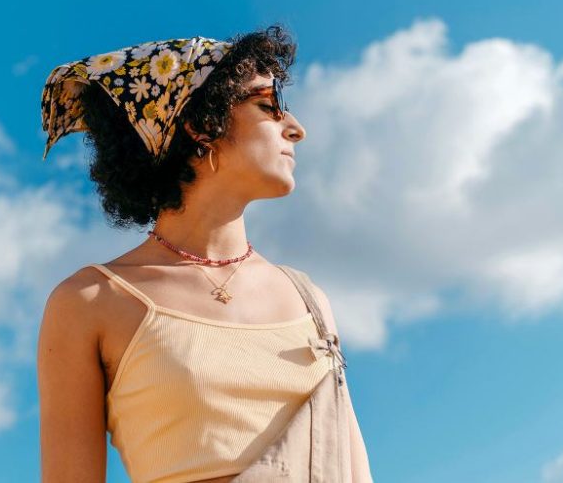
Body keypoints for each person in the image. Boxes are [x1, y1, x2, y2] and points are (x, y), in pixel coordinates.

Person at [36, 24, 372, 482]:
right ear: (202, 124)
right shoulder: (89, 301)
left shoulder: (309, 300)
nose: (296, 129)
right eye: (267, 106)